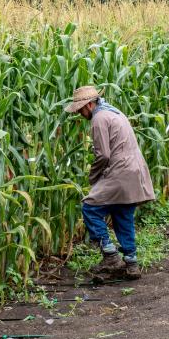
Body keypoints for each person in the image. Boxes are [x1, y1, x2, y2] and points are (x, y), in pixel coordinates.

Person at [64, 86, 155, 280]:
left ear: (89, 104)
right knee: (122, 213)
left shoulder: (98, 119)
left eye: (80, 109)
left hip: (120, 171)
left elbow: (103, 155)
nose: (80, 114)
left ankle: (110, 255)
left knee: (90, 207)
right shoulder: (115, 112)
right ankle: (131, 263)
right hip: (135, 170)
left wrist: (94, 177)